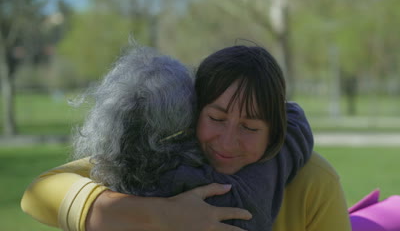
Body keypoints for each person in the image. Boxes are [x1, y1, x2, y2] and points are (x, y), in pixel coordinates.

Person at [21, 44, 351, 231]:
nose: (227, 140)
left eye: (250, 127)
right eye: (216, 118)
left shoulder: (314, 182)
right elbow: (37, 195)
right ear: (193, 113)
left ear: (276, 130)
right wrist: (162, 214)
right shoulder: (160, 156)